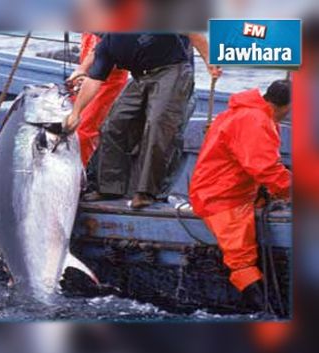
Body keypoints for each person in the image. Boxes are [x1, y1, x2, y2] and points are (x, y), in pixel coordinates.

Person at [64, 33, 222, 209]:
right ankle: (109, 187)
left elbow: (192, 32)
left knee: (158, 126)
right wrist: (76, 113)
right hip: (140, 76)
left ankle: (148, 192)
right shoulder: (108, 43)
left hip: (172, 71)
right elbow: (94, 80)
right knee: (113, 126)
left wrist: (209, 59)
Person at [189, 80, 292, 309]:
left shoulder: (248, 113)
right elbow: (264, 168)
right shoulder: (255, 120)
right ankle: (263, 313)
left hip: (227, 190)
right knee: (241, 261)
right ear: (287, 106)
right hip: (221, 198)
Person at [68, 33, 129, 167]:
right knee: (71, 126)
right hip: (87, 77)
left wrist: (83, 68)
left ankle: (78, 175)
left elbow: (109, 45)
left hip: (108, 80)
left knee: (83, 132)